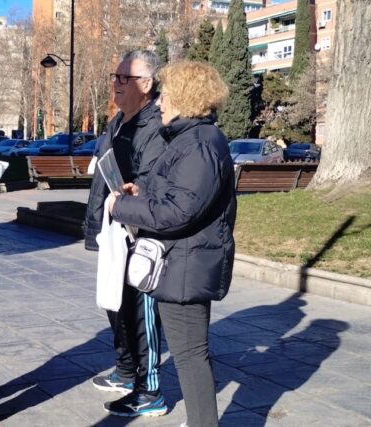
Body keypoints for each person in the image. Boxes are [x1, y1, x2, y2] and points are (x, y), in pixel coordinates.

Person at [109, 61, 237, 427]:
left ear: (186, 97)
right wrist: (142, 191)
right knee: (189, 353)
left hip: (185, 266)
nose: (160, 102)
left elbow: (178, 211)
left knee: (191, 355)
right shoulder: (189, 139)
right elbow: (177, 193)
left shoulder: (198, 143)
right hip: (181, 261)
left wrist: (123, 207)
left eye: (166, 94)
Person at [83, 50, 167, 417]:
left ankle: (150, 391)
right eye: (114, 77)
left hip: (138, 230)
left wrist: (133, 199)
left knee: (139, 309)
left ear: (146, 85)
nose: (115, 84)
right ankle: (126, 369)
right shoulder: (118, 121)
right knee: (114, 303)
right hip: (113, 226)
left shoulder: (155, 125)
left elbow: (151, 181)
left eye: (123, 78)